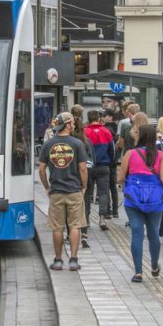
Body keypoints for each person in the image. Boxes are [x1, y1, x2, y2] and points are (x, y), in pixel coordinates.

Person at [118, 123, 163, 282]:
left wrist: (124, 183)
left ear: (140, 136)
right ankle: (154, 266)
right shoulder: (160, 155)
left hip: (134, 199)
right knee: (154, 233)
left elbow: (120, 178)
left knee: (137, 233)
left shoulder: (130, 154)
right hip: (156, 199)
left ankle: (138, 272)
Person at [38, 112, 89, 272]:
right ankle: (73, 260)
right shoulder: (77, 144)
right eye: (72, 123)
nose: (74, 125)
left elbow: (41, 168)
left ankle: (58, 260)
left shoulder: (49, 144)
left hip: (56, 192)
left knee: (57, 228)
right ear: (67, 125)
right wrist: (84, 186)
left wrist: (47, 187)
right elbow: (82, 168)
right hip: (74, 190)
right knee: (75, 226)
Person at [83, 109, 115, 232]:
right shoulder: (106, 131)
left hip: (88, 167)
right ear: (98, 118)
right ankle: (102, 218)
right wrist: (110, 162)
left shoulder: (85, 132)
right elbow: (112, 150)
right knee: (103, 192)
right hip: (103, 166)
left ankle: (86, 220)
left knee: (87, 193)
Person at [70, 106, 95, 248]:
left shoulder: (70, 142)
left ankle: (71, 233)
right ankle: (84, 232)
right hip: (86, 175)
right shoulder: (86, 141)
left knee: (72, 206)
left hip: (71, 177)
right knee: (85, 203)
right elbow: (92, 160)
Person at [101, 109, 121, 218]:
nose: (103, 118)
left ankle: (107, 210)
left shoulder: (105, 130)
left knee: (105, 187)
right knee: (113, 187)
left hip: (106, 161)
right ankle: (116, 211)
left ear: (110, 117)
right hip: (114, 161)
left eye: (104, 116)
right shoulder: (117, 129)